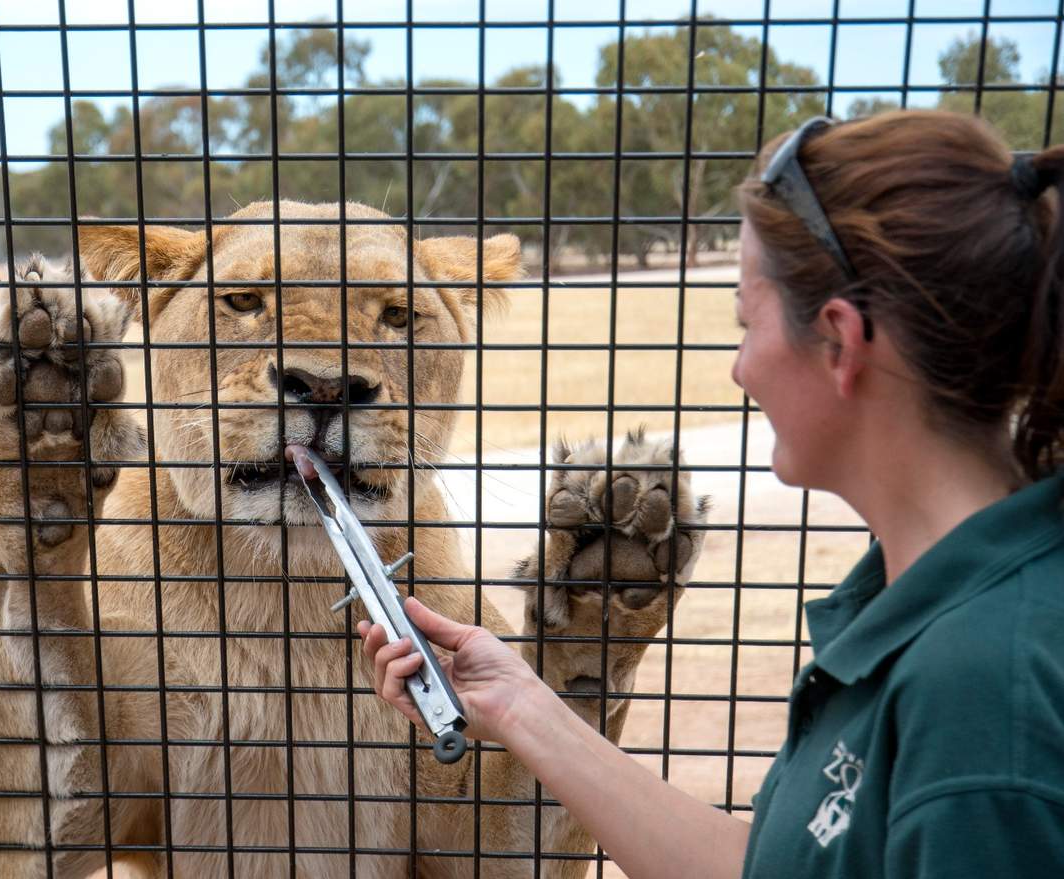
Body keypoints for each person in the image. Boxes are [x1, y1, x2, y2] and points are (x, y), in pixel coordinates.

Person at [361, 109, 1064, 877]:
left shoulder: (984, 697)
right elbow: (777, 867)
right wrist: (522, 705)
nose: (738, 368)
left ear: (838, 342)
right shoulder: (919, 598)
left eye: (744, 323)